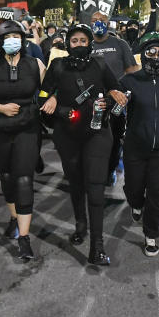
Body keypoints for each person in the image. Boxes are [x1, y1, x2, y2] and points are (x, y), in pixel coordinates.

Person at [39, 24, 126, 265]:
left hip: (98, 133)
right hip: (67, 136)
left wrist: (110, 99)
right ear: (68, 44)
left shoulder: (99, 64)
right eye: (74, 41)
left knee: (96, 188)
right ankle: (80, 225)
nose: (79, 44)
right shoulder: (57, 66)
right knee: (76, 184)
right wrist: (58, 105)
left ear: (90, 43)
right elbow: (42, 98)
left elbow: (116, 89)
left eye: (83, 41)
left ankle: (97, 247)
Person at [0, 20, 45, 260]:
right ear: (0, 41)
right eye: (7, 37)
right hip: (0, 128)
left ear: (23, 40)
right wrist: (0, 108)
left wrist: (52, 99)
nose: (12, 40)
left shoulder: (35, 64)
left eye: (17, 36)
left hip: (28, 128)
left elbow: (49, 90)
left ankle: (24, 238)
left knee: (24, 178)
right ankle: (14, 217)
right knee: (7, 176)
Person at [120, 33, 159, 257]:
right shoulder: (129, 80)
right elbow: (114, 98)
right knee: (134, 188)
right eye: (151, 52)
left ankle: (151, 234)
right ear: (143, 55)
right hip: (135, 146)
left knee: (157, 193)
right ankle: (135, 203)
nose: (156, 57)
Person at [89, 10, 139, 182]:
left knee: (115, 137)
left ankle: (110, 169)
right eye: (94, 20)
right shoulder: (86, 44)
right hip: (91, 100)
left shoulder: (120, 44)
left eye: (101, 20)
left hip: (116, 100)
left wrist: (124, 93)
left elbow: (132, 71)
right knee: (91, 138)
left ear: (108, 22)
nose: (98, 23)